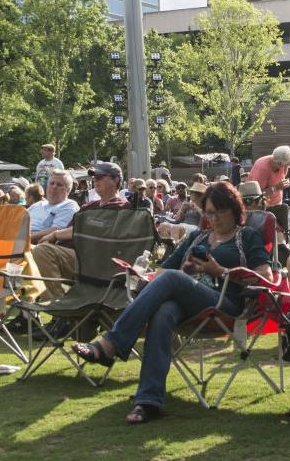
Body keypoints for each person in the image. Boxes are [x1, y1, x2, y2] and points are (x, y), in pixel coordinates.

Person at [71, 180, 271, 424]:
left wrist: (219, 271)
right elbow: (164, 271)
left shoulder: (247, 236)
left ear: (235, 209)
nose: (214, 218)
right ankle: (148, 401)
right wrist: (156, 275)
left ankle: (111, 344)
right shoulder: (197, 237)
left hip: (225, 304)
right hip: (189, 302)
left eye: (220, 212)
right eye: (209, 213)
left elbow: (266, 276)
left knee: (174, 279)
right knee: (164, 311)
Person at [26, 169, 81, 300]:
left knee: (36, 251)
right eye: (52, 183)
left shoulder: (68, 205)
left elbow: (56, 229)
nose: (54, 187)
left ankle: (57, 304)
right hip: (23, 244)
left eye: (59, 184)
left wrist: (25, 238)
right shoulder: (36, 206)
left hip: (42, 246)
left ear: (68, 190)